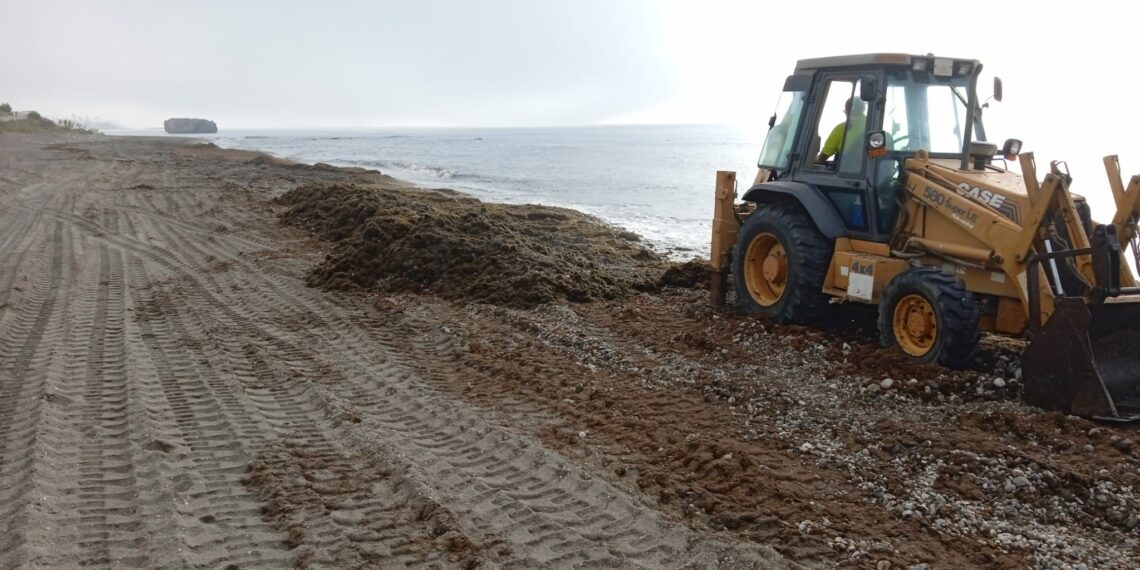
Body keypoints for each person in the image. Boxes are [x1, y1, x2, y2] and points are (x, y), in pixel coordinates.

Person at [816, 97, 867, 165]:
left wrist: (816, 162)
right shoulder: (873, 127)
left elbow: (825, 154)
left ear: (849, 110)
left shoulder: (842, 128)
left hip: (845, 170)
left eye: (845, 111)